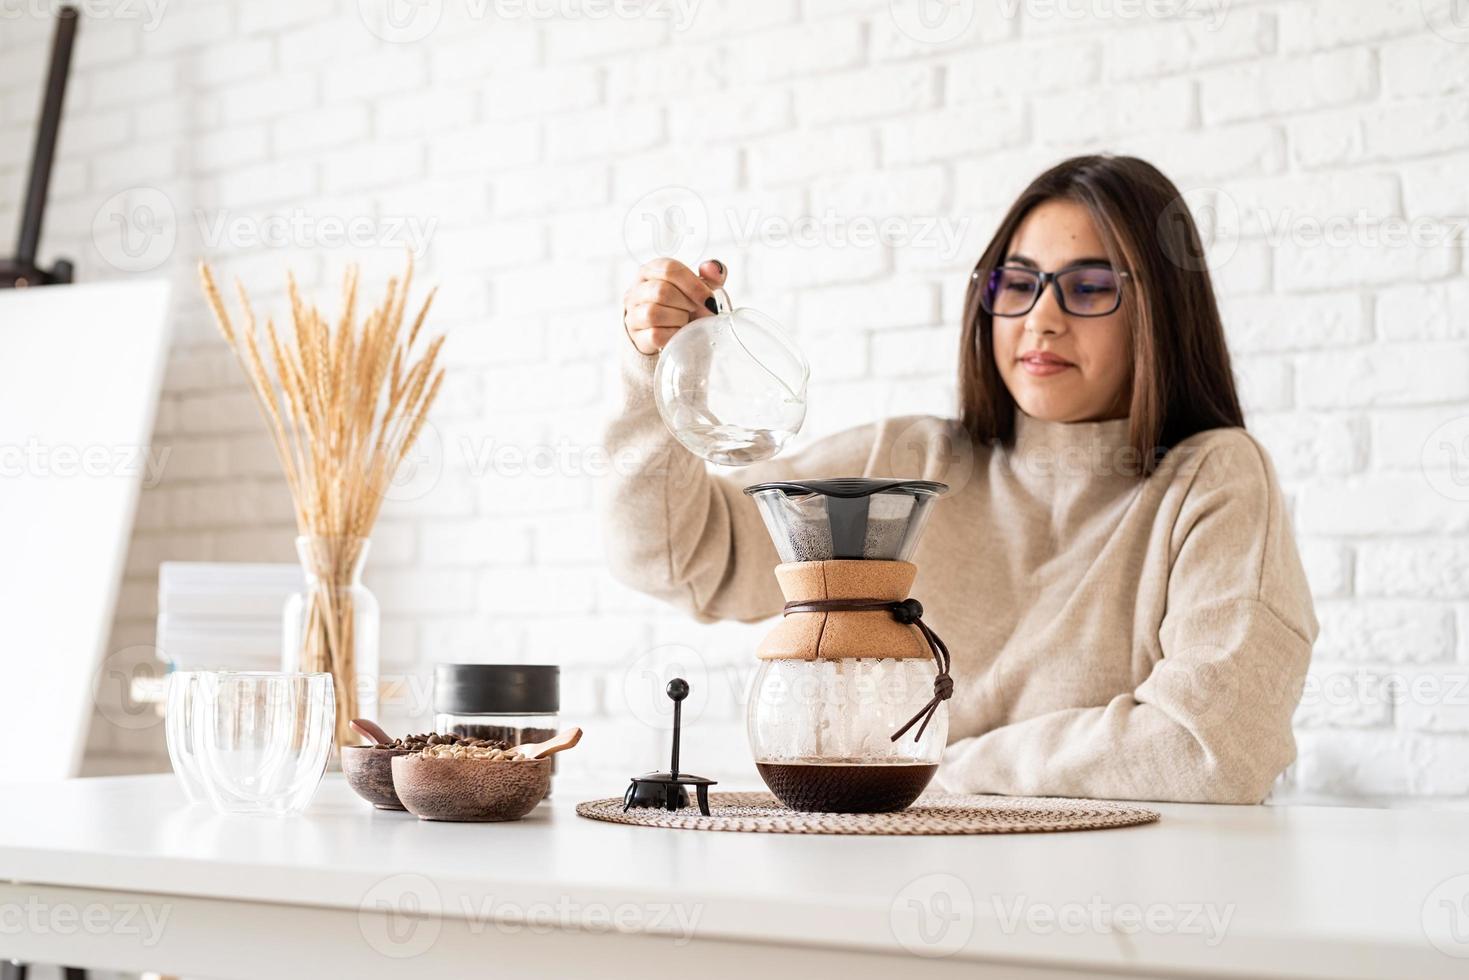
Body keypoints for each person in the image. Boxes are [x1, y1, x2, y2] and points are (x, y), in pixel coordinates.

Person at [602, 154, 1317, 804]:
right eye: (1017, 284)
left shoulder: (1211, 479)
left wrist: (942, 768)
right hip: (892, 885)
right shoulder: (908, 464)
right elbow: (675, 558)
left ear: (1159, 309)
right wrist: (652, 370)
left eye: (1090, 287)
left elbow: (1209, 749)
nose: (1041, 319)